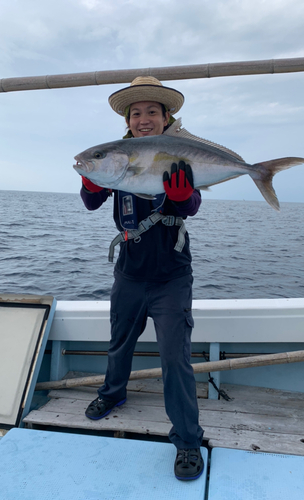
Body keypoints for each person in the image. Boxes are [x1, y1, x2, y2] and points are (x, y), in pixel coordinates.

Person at [80, 76, 204, 481]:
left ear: (167, 118)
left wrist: (183, 196)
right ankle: (112, 395)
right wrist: (90, 176)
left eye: (153, 111)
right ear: (129, 121)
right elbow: (91, 201)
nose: (144, 118)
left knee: (174, 357)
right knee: (119, 344)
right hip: (130, 272)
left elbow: (192, 206)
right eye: (137, 113)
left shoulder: (179, 152)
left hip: (171, 275)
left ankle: (187, 440)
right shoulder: (119, 157)